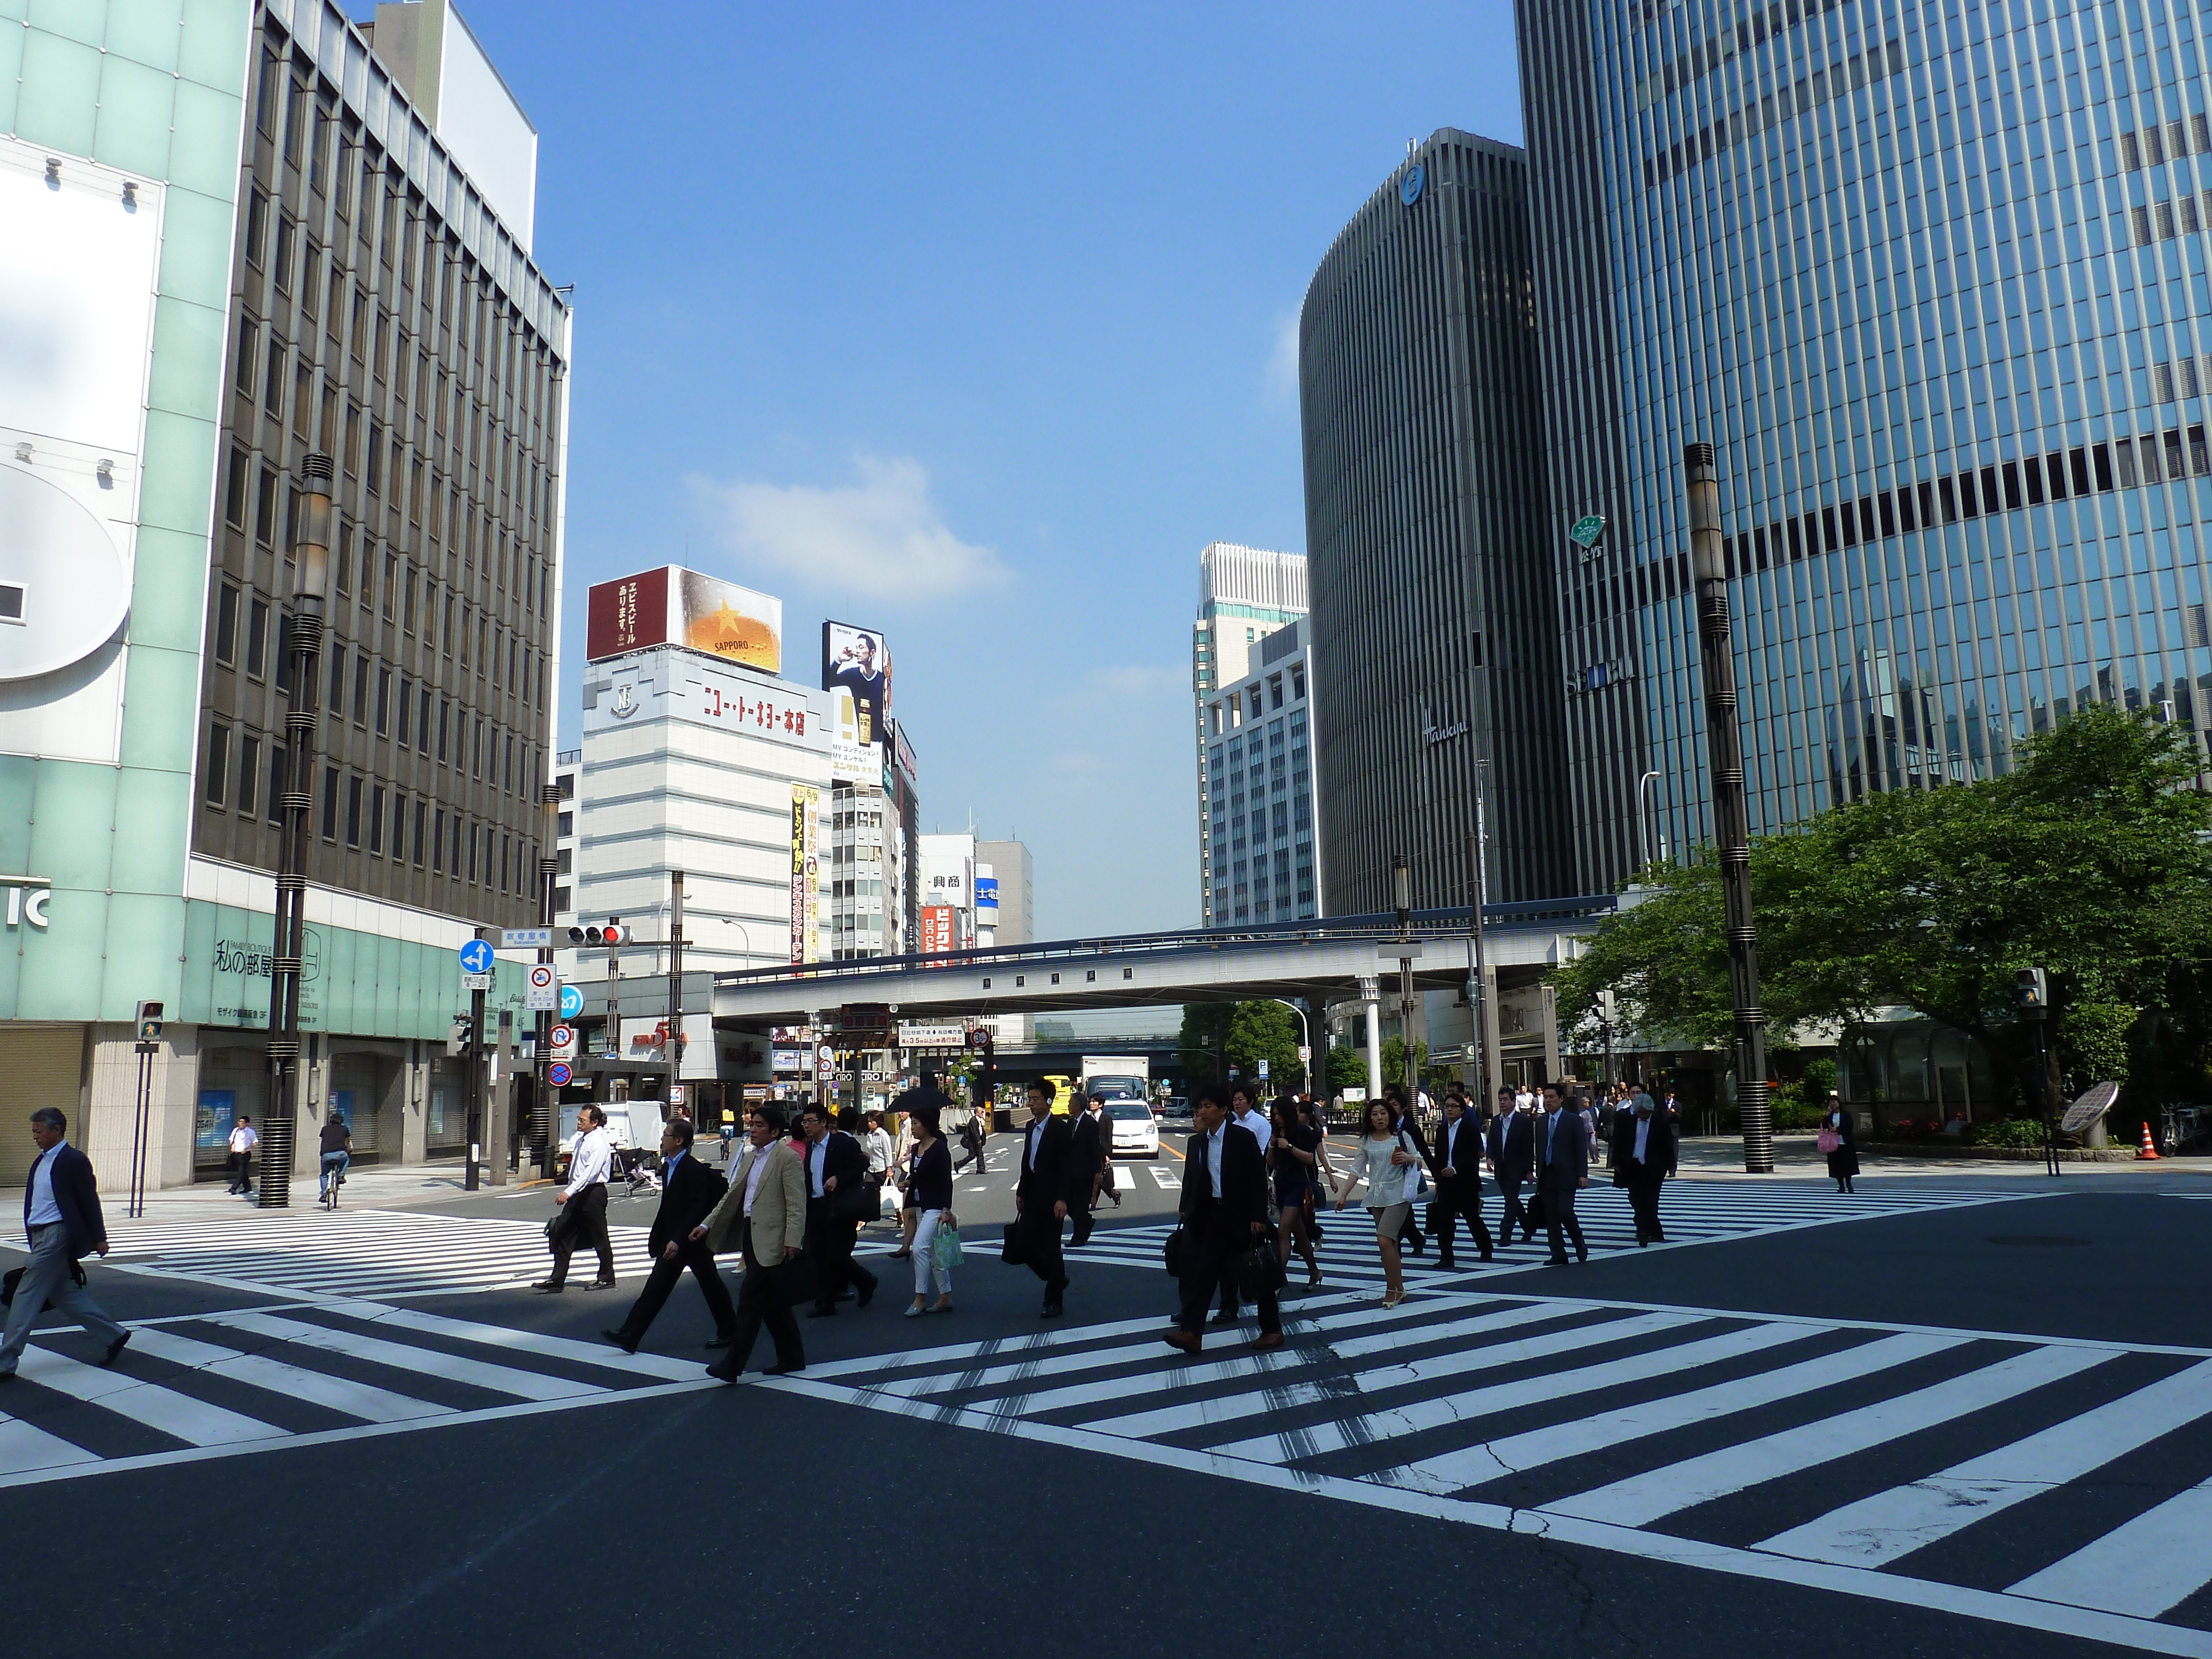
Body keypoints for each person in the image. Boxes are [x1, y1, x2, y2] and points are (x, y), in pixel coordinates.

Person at [0, 1108, 129, 1379]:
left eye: (39, 1131)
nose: (34, 1136)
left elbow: (89, 1198)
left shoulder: (74, 1160)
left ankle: (6, 1361)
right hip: (39, 1235)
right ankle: (114, 1334)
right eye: (33, 1131)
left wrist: (99, 1236)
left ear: (57, 1130)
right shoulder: (41, 1161)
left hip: (57, 1234)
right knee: (63, 1293)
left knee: (26, 1293)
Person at [602, 1118, 737, 1353]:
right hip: (674, 1238)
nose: (662, 1139)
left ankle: (729, 1331)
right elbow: (669, 1205)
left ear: (679, 1141)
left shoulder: (693, 1169)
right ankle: (631, 1334)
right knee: (662, 1287)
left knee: (707, 1285)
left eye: (666, 1135)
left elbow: (697, 1209)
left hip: (690, 1240)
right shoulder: (667, 1165)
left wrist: (677, 1239)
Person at [1164, 1086, 1281, 1355]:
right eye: (1200, 1107)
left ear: (1223, 1110)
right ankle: (1192, 1333)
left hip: (1241, 1216)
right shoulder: (1198, 1142)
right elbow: (1194, 1181)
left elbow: (1256, 1178)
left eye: (1207, 1107)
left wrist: (1258, 1217)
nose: (1202, 1112)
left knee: (1256, 1272)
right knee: (1202, 1273)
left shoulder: (1242, 1137)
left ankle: (1272, 1330)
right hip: (1212, 1216)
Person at [695, 1105, 807, 1380]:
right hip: (750, 1232)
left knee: (750, 1302)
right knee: (773, 1304)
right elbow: (732, 1196)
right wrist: (706, 1224)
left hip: (774, 1239)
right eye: (752, 1124)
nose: (752, 1130)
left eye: (759, 1126)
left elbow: (796, 1204)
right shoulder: (749, 1157)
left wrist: (793, 1239)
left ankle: (733, 1365)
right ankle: (792, 1357)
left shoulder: (787, 1158)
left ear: (775, 1132)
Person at [1333, 1098, 1423, 1307]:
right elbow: (1357, 1169)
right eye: (1375, 1114)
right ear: (1370, 1118)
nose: (1380, 1117)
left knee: (1383, 1240)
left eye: (1383, 1113)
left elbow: (1419, 1161)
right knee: (1390, 1244)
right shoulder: (1366, 1140)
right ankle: (1399, 1288)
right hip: (1376, 1195)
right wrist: (1344, 1195)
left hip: (1399, 1194)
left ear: (1390, 1115)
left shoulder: (1400, 1136)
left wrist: (1408, 1158)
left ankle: (1391, 1289)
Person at [798, 1104, 877, 1317]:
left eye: (811, 1121)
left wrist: (838, 1178)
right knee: (815, 1255)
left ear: (824, 1122)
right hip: (815, 1206)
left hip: (838, 1206)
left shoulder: (841, 1143)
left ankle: (866, 1280)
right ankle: (824, 1302)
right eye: (804, 1122)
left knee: (836, 1255)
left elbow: (861, 1165)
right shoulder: (810, 1146)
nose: (806, 1126)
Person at [536, 1105, 617, 1291]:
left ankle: (607, 1277)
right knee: (562, 1231)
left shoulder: (598, 1142)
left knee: (599, 1236)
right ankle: (557, 1279)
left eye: (583, 1120)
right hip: (578, 1193)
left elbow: (590, 1173)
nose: (579, 1122)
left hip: (592, 1193)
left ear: (594, 1122)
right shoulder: (582, 1140)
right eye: (579, 1119)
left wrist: (569, 1191)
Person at [1014, 1078, 1071, 1318]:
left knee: (1051, 1248)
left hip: (1052, 1198)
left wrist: (1062, 1199)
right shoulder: (1030, 1127)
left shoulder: (1060, 1129)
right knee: (1023, 1244)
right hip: (1032, 1195)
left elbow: (1066, 1166)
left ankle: (1054, 1301)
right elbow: (1028, 1161)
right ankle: (1056, 1278)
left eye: (1036, 1099)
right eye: (1030, 1100)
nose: (1031, 1104)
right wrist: (1021, 1190)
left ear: (1049, 1101)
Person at [903, 1102, 956, 1317]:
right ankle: (945, 1296)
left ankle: (920, 1297)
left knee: (920, 1247)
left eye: (915, 1124)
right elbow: (918, 1175)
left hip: (936, 1207)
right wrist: (908, 1183)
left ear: (926, 1126)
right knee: (935, 1254)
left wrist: (947, 1209)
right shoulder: (917, 1149)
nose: (912, 1128)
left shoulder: (939, 1149)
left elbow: (946, 1182)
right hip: (922, 1205)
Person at [1430, 1092, 1495, 1266]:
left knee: (1472, 1217)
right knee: (1445, 1220)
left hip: (1466, 1181)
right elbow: (1440, 1156)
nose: (1450, 1110)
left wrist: (1456, 1169)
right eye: (1447, 1106)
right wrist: (1438, 1178)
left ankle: (1486, 1247)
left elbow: (1473, 1156)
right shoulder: (1442, 1130)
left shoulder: (1470, 1129)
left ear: (1463, 1110)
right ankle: (1446, 1257)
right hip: (1446, 1182)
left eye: (1454, 1106)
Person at [1269, 1093, 1324, 1288]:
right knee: (1299, 1233)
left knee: (1283, 1230)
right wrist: (1272, 1146)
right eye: (1274, 1114)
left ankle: (1277, 1279)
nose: (1277, 1118)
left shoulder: (1301, 1131)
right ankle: (1315, 1272)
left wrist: (1289, 1147)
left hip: (1297, 1184)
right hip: (1281, 1183)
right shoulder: (1276, 1133)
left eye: (1280, 1114)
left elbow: (1310, 1158)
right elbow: (1272, 1163)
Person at [1612, 1089, 1677, 1245]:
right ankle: (1652, 1230)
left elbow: (1669, 1145)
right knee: (1636, 1198)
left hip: (1654, 1166)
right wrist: (1617, 1163)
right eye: (1640, 1112)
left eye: (1645, 1112)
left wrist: (1671, 1166)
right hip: (1633, 1165)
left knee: (1651, 1200)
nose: (1643, 1115)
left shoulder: (1659, 1122)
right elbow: (1619, 1142)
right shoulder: (1628, 1121)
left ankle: (1644, 1231)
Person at [1535, 1084, 1590, 1265]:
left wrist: (1583, 1174)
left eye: (1552, 1097)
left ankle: (1578, 1239)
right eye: (1546, 1097)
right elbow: (1539, 1148)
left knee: (1565, 1211)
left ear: (1561, 1099)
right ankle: (1558, 1253)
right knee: (1551, 1216)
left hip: (1567, 1174)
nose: (1548, 1100)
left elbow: (1581, 1148)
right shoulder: (1541, 1121)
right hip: (1547, 1174)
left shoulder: (1573, 1120)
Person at [1489, 1087, 1535, 1245]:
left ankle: (1505, 1232)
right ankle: (1529, 1226)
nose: (1502, 1103)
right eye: (1500, 1100)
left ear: (1513, 1102)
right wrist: (1490, 1158)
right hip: (1501, 1167)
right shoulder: (1496, 1120)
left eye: (1505, 1100)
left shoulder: (1523, 1121)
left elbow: (1529, 1147)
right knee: (1512, 1199)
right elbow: (1492, 1142)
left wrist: (1529, 1170)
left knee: (1510, 1201)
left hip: (1517, 1167)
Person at [1068, 1091, 1107, 1248]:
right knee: (1070, 1205)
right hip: (1071, 1171)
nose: (1068, 1105)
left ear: (1077, 1106)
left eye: (1070, 1103)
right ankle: (1087, 1222)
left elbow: (1095, 1149)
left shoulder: (1090, 1123)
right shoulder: (1071, 1123)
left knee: (1080, 1206)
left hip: (1086, 1171)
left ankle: (1079, 1237)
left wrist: (1098, 1172)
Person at [859, 1103, 896, 1223]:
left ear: (878, 1122)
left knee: (890, 1193)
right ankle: (862, 1219)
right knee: (866, 1191)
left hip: (882, 1169)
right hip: (872, 1169)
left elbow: (887, 1153)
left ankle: (900, 1215)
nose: (869, 1124)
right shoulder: (869, 1135)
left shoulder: (883, 1135)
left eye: (872, 1121)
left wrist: (889, 1169)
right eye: (868, 1122)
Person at [317, 1112, 352, 1207]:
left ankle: (324, 1193)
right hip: (340, 1154)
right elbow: (348, 1141)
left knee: (324, 1175)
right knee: (347, 1159)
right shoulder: (344, 1129)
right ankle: (341, 1175)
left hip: (326, 1155)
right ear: (341, 1121)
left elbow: (323, 1139)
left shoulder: (325, 1129)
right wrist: (350, 1148)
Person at [1824, 1103, 1860, 1193]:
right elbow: (1824, 1126)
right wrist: (1827, 1115)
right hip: (1833, 1144)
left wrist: (1838, 1130)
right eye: (1831, 1102)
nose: (1833, 1104)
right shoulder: (1830, 1116)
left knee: (1847, 1165)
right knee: (1836, 1165)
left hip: (1846, 1142)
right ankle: (1841, 1186)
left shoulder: (1846, 1114)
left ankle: (1849, 1184)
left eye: (1835, 1102)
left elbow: (1849, 1126)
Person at [226, 1113, 258, 1196]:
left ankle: (234, 1188)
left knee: (241, 1171)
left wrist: (247, 1149)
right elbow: (231, 1139)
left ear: (247, 1124)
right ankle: (248, 1187)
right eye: (239, 1122)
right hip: (236, 1154)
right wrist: (232, 1147)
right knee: (242, 1172)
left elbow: (255, 1143)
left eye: (242, 1122)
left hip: (245, 1154)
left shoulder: (250, 1132)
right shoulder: (236, 1130)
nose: (240, 1123)